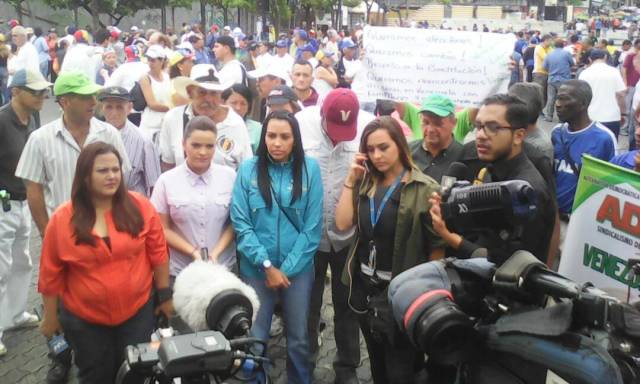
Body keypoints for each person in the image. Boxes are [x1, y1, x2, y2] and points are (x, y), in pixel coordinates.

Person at [38, 142, 171, 384]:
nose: (111, 176)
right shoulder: (62, 218)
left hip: (137, 313)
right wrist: (50, 317)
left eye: (115, 169)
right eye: (102, 171)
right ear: (85, 176)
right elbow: (50, 273)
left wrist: (165, 296)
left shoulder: (139, 206)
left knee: (136, 371)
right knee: (95, 376)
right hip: (85, 320)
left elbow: (158, 254)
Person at [334, 116, 445, 384]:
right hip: (365, 292)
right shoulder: (365, 182)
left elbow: (437, 248)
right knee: (377, 366)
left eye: (383, 147)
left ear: (400, 145)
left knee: (401, 370)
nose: (376, 155)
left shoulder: (424, 187)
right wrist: (351, 179)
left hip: (401, 296)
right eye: (370, 149)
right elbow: (342, 224)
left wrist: (428, 296)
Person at [231, 111, 323, 384]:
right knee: (256, 337)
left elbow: (312, 228)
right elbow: (240, 223)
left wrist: (287, 270)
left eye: (285, 136)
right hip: (256, 270)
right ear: (263, 137)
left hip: (299, 272)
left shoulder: (310, 168)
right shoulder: (248, 169)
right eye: (271, 136)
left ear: (295, 138)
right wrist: (267, 266)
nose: (277, 143)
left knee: (297, 338)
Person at [296, 88, 374, 382]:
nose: (341, 136)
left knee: (348, 304)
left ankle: (347, 366)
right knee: (307, 303)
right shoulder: (300, 125)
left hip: (349, 237)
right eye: (334, 128)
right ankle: (305, 361)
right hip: (308, 237)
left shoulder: (367, 128)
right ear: (321, 115)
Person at [430, 94, 555, 264]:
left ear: (518, 135)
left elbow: (513, 264)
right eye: (479, 126)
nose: (481, 135)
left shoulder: (528, 192)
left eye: (493, 127)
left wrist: (450, 238)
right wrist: (449, 210)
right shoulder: (490, 170)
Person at [15, 71, 130, 239]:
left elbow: (122, 181)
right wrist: (46, 231)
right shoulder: (40, 139)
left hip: (106, 229)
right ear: (64, 102)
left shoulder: (109, 134)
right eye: (85, 97)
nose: (93, 101)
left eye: (93, 95)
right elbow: (33, 189)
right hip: (63, 232)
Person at [0, 69, 50, 357]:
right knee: (1, 269)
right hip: (3, 202)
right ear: (16, 91)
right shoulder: (2, 120)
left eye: (43, 91)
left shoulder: (30, 118)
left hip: (23, 201)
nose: (42, 96)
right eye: (35, 92)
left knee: (23, 262)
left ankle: (15, 314)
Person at [151, 116, 237, 280]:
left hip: (223, 268)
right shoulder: (166, 181)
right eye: (196, 145)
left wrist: (215, 253)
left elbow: (235, 222)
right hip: (180, 271)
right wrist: (192, 252)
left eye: (209, 146)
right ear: (184, 144)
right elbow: (162, 228)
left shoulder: (230, 177)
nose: (202, 152)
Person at [160, 64, 251, 171]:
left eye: (213, 93)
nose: (208, 99)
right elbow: (167, 165)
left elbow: (247, 170)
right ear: (190, 92)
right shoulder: (173, 119)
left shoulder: (235, 123)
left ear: (220, 94)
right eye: (202, 92)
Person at [552, 80, 616, 227]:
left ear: (583, 103)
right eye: (557, 98)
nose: (558, 104)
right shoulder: (557, 133)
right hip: (555, 220)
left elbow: (612, 185)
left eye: (564, 99)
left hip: (582, 224)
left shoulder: (604, 138)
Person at [98, 86, 160, 196]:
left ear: (129, 108)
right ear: (102, 108)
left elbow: (154, 185)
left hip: (132, 205)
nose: (114, 113)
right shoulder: (93, 137)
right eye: (109, 107)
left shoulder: (144, 141)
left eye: (119, 107)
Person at [407, 94, 464, 182]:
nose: (430, 130)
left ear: (454, 123)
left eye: (437, 123)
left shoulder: (464, 156)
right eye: (425, 122)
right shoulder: (408, 152)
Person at [579, 49, 627, 139]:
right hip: (611, 117)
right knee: (610, 147)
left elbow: (580, 96)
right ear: (605, 57)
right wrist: (623, 113)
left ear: (589, 59)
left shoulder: (584, 73)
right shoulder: (614, 72)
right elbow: (621, 94)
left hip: (590, 118)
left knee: (590, 149)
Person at [138, 45, 171, 144]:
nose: (150, 63)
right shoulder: (145, 78)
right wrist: (173, 108)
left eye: (153, 60)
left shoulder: (167, 77)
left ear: (162, 61)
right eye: (149, 59)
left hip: (165, 125)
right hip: (150, 126)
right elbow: (152, 104)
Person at [222, 83, 262, 153]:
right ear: (224, 103)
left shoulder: (257, 129)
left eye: (243, 104)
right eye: (234, 103)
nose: (238, 108)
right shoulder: (216, 126)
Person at [543, 38, 574, 122]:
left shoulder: (549, 54)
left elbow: (544, 67)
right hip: (564, 79)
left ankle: (549, 116)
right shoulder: (566, 53)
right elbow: (572, 63)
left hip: (552, 79)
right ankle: (562, 118)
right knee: (563, 99)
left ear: (554, 45)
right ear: (563, 45)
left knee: (551, 98)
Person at [532, 34, 552, 105]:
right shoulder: (539, 48)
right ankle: (536, 109)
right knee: (539, 92)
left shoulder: (549, 48)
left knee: (545, 93)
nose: (551, 43)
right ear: (545, 41)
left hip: (547, 73)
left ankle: (542, 109)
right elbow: (547, 58)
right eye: (549, 41)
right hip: (539, 73)